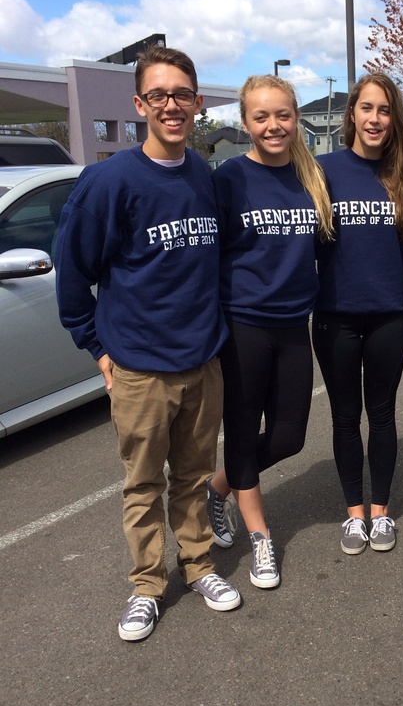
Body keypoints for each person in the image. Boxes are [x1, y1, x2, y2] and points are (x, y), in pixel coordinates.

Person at [55, 45, 241, 642]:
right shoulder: (108, 182)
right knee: (143, 485)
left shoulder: (203, 177)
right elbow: (71, 272)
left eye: (181, 95)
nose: (170, 105)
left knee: (193, 477)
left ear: (197, 104)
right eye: (157, 96)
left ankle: (200, 565)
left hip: (200, 361)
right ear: (139, 105)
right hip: (138, 369)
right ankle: (146, 586)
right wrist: (98, 348)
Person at [207, 75, 333, 588]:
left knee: (289, 437)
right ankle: (260, 537)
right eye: (261, 117)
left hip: (292, 326)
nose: (273, 125)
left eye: (282, 114)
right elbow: (204, 254)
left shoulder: (313, 177)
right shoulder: (229, 179)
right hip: (243, 326)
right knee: (241, 433)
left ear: (296, 117)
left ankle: (217, 488)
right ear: (245, 123)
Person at [312, 73, 403, 555]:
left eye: (384, 110)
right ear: (351, 115)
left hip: (387, 316)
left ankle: (381, 512)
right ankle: (353, 514)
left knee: (381, 415)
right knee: (343, 416)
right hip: (335, 316)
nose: (375, 118)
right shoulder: (322, 170)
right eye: (367, 108)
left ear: (392, 118)